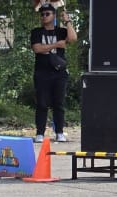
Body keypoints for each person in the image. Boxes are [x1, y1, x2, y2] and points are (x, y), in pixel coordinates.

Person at [30, 3, 76, 143]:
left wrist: (67, 21)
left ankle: (60, 132)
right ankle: (40, 133)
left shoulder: (60, 31)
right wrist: (56, 45)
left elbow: (73, 38)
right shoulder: (37, 32)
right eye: (42, 14)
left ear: (53, 15)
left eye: (47, 14)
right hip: (42, 72)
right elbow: (37, 49)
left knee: (58, 103)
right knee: (42, 103)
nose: (44, 17)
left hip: (59, 72)